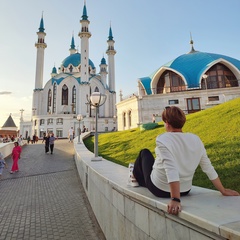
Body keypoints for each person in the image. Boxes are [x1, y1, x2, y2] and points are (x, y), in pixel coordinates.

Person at [130, 106, 239, 215]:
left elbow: (171, 169)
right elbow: (208, 167)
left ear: (167, 123)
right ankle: (136, 175)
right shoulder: (196, 139)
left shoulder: (163, 139)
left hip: (159, 189)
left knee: (144, 153)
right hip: (185, 190)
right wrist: (223, 190)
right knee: (154, 164)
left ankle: (134, 175)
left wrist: (175, 199)